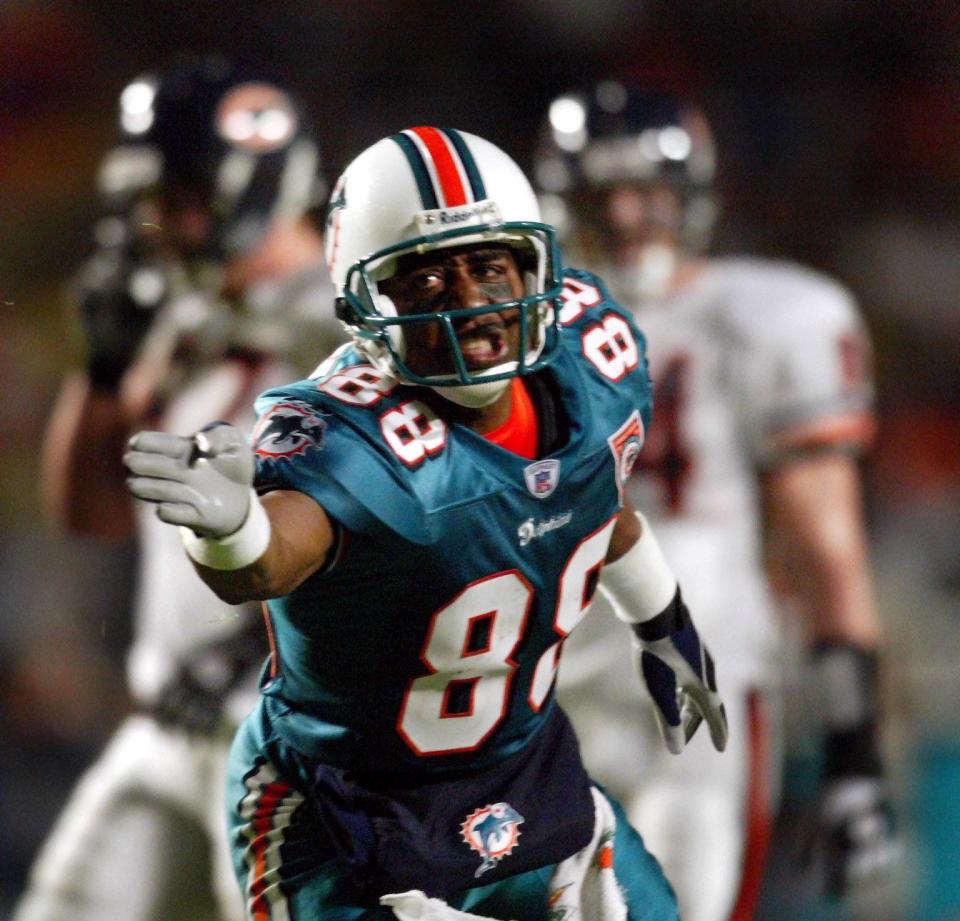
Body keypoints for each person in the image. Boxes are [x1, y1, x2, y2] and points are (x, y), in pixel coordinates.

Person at [122, 125, 729, 921]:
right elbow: (265, 563)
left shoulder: (589, 366)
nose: (471, 303)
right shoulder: (354, 436)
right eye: (429, 281)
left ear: (536, 266)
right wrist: (230, 525)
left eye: (487, 266)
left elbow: (592, 506)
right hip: (349, 815)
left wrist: (662, 621)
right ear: (362, 308)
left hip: (525, 774)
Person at [533, 83, 899, 921]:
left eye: (648, 193)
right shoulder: (515, 325)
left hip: (702, 693)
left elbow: (825, 547)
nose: (626, 216)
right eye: (602, 194)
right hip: (531, 692)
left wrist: (854, 745)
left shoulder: (770, 314)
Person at [14, 53, 346, 921]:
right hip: (169, 718)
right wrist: (108, 368)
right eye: (153, 198)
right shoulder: (191, 315)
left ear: (264, 179)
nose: (163, 221)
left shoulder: (351, 323)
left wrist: (251, 643)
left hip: (299, 739)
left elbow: (403, 521)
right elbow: (91, 514)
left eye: (185, 194)